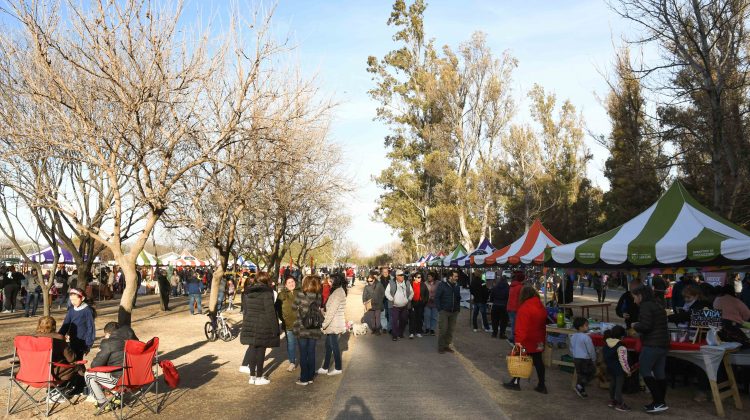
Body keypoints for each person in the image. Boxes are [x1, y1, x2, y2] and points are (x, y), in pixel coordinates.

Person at [631, 285, 669, 413]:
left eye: (635, 297)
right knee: (659, 373)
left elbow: (646, 326)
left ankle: (659, 401)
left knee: (645, 370)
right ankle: (660, 402)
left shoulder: (646, 306)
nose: (634, 300)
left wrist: (635, 325)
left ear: (640, 296)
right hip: (662, 344)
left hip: (652, 344)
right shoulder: (657, 304)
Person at [503, 286, 548, 393]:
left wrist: (518, 341)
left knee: (520, 360)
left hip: (527, 340)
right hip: (538, 339)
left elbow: (521, 327)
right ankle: (541, 385)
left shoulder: (525, 308)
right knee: (538, 362)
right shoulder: (540, 306)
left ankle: (515, 382)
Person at [85, 322, 138, 412]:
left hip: (121, 380)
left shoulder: (108, 343)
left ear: (108, 334)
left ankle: (102, 402)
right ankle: (114, 395)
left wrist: (103, 349)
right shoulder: (134, 339)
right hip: (139, 378)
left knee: (88, 374)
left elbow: (95, 365)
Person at [239, 272, 280, 386]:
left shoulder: (248, 292)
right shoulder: (267, 293)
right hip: (263, 324)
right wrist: (275, 329)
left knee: (252, 349)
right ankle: (259, 377)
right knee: (261, 351)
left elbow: (245, 310)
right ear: (266, 280)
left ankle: (252, 376)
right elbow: (270, 312)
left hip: (250, 323)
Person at [34, 316, 79, 402]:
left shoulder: (32, 339)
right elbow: (71, 358)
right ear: (54, 326)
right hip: (52, 373)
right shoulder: (58, 338)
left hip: (32, 373)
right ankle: (60, 391)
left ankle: (54, 391)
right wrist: (67, 345)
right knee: (77, 366)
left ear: (39, 325)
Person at [293, 275, 323, 385]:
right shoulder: (318, 296)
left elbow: (293, 307)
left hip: (302, 327)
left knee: (303, 353)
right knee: (311, 352)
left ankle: (304, 378)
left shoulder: (301, 294)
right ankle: (310, 376)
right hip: (314, 328)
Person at [318, 274, 347, 375]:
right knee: (328, 345)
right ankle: (325, 367)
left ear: (335, 281)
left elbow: (332, 311)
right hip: (333, 322)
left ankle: (338, 368)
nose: (328, 282)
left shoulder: (338, 292)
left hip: (334, 323)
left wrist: (324, 324)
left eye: (330, 281)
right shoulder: (337, 290)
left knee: (334, 346)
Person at [603, 325, 634, 412]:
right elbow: (623, 361)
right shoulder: (621, 346)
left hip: (610, 368)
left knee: (612, 384)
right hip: (619, 370)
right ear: (622, 336)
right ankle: (620, 404)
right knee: (618, 387)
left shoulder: (606, 343)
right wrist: (628, 371)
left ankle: (612, 400)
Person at [58, 288, 96, 360]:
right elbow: (65, 325)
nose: (73, 302)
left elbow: (90, 328)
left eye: (75, 300)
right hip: (71, 340)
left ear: (82, 298)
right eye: (71, 300)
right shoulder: (71, 310)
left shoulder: (87, 310)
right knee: (70, 359)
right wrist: (59, 337)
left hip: (82, 341)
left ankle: (80, 370)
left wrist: (88, 345)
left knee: (78, 361)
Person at [435, 271, 461, 353]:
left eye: (457, 276)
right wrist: (440, 309)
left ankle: (447, 345)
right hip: (444, 311)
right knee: (443, 329)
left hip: (454, 311)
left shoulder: (457, 285)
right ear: (450, 277)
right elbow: (437, 298)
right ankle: (441, 347)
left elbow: (458, 297)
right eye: (455, 276)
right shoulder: (442, 285)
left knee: (450, 330)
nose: (457, 278)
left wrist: (457, 308)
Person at [570, 317, 596, 398]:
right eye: (586, 325)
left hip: (576, 358)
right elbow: (591, 349)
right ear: (581, 327)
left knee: (580, 374)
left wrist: (574, 355)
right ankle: (579, 386)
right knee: (591, 372)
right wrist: (594, 358)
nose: (587, 327)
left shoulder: (573, 336)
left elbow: (571, 348)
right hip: (585, 359)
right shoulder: (586, 338)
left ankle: (581, 389)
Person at [277, 275, 299, 372]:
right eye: (289, 282)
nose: (291, 284)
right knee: (291, 344)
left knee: (302, 344)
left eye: (293, 281)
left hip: (301, 323)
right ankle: (292, 362)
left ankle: (304, 361)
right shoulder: (281, 294)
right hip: (288, 323)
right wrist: (283, 319)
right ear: (285, 285)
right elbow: (277, 309)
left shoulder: (300, 292)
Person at [385, 270, 413, 341]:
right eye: (400, 275)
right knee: (394, 321)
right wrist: (391, 298)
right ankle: (395, 335)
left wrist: (409, 298)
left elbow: (412, 292)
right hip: (395, 306)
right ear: (397, 276)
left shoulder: (407, 282)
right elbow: (386, 292)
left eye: (403, 275)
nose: (402, 276)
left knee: (404, 320)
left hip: (404, 305)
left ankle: (400, 333)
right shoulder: (391, 283)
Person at [362, 270, 385, 334]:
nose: (370, 282)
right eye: (368, 281)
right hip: (370, 304)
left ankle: (378, 329)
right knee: (372, 317)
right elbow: (364, 295)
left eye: (371, 281)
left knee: (377, 317)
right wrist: (364, 301)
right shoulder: (366, 287)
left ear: (374, 279)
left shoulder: (379, 285)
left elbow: (383, 293)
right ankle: (373, 328)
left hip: (378, 304)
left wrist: (380, 299)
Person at [409, 271, 428, 338]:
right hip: (412, 303)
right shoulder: (410, 284)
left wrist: (424, 302)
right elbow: (407, 293)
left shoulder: (423, 284)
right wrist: (409, 303)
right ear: (414, 278)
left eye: (421, 277)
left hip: (420, 304)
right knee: (412, 318)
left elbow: (426, 294)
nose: (420, 278)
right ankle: (411, 332)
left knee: (419, 318)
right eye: (418, 277)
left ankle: (418, 332)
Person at [507, 272, 525, 345]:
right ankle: (514, 339)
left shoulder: (512, 286)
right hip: (516, 308)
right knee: (516, 325)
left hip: (510, 307)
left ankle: (512, 337)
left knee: (513, 324)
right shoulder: (520, 287)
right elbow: (522, 298)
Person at [423, 272, 439, 336]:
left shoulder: (438, 283)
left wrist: (435, 297)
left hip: (435, 303)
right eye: (428, 276)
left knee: (434, 316)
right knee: (427, 316)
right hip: (427, 302)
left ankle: (432, 329)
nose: (428, 277)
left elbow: (440, 292)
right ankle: (427, 328)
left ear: (433, 277)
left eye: (430, 276)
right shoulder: (425, 283)